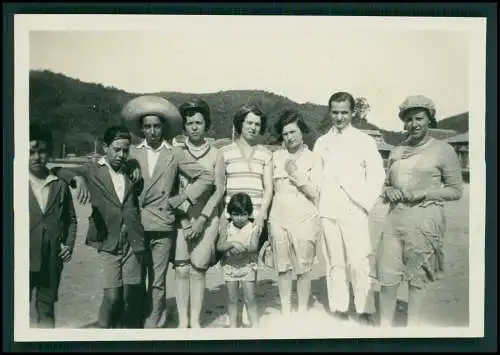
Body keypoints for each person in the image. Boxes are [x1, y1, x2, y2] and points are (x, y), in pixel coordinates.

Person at [121, 95, 215, 328]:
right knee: (134, 279)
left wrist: (182, 197)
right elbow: (106, 165)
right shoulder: (131, 152)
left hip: (163, 224)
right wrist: (77, 180)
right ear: (141, 130)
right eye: (147, 127)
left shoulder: (174, 153)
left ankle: (154, 325)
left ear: (163, 128)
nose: (152, 131)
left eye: (156, 126)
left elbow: (206, 177)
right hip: (135, 224)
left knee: (158, 281)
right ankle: (134, 324)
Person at [377, 95, 463, 327]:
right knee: (387, 279)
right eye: (408, 119)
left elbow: (456, 190)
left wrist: (424, 193)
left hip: (425, 220)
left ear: (429, 120)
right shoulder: (396, 150)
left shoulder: (443, 150)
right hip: (395, 220)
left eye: (419, 118)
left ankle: (412, 329)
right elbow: (386, 184)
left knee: (417, 280)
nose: (413, 124)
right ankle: (385, 329)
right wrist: (390, 191)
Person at [53, 125, 147, 328]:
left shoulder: (130, 168)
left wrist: (135, 164)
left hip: (132, 238)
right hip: (108, 240)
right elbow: (57, 170)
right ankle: (102, 330)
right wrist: (78, 179)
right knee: (113, 296)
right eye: (116, 149)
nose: (121, 154)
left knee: (131, 294)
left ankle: (123, 334)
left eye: (125, 150)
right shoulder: (92, 170)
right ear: (106, 147)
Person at [313, 91, 386, 325]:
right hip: (328, 209)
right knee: (335, 260)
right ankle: (339, 307)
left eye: (344, 112)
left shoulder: (364, 141)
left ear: (352, 112)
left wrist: (362, 203)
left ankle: (364, 309)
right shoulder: (322, 142)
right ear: (329, 111)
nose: (339, 117)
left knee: (359, 260)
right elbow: (315, 175)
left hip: (355, 208)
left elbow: (377, 176)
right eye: (335, 112)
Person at [171, 99, 225, 328]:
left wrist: (202, 220)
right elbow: (172, 189)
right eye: (189, 123)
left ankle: (195, 321)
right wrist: (184, 220)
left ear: (206, 125)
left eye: (199, 122)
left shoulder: (216, 154)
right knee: (181, 269)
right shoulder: (176, 152)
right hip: (180, 218)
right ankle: (183, 322)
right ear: (184, 126)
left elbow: (220, 189)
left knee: (197, 269)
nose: (194, 127)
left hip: (207, 217)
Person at [218, 103, 274, 326]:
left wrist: (261, 217)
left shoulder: (266, 154)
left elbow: (268, 188)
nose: (253, 127)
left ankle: (251, 318)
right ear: (240, 123)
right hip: (231, 219)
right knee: (232, 265)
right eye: (249, 122)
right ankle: (233, 320)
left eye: (257, 124)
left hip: (255, 220)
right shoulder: (224, 152)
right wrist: (223, 217)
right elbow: (220, 187)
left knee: (250, 265)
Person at [267, 109, 323, 316]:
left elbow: (316, 192)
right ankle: (285, 309)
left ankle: (301, 310)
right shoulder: (275, 157)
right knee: (282, 266)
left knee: (303, 267)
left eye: (293, 132)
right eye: (285, 134)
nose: (289, 137)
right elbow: (269, 188)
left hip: (305, 216)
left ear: (302, 132)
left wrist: (295, 173)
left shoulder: (314, 158)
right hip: (278, 215)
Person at [29, 123, 77, 328]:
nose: (36, 157)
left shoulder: (58, 183)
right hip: (22, 258)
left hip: (50, 259)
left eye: (42, 152)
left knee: (46, 310)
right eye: (31, 151)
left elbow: (71, 220)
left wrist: (68, 244)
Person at [216, 193, 260, 328]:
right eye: (236, 214)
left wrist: (243, 248)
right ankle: (233, 327)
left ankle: (255, 327)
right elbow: (219, 246)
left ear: (249, 213)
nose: (240, 218)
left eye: (243, 214)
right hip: (230, 267)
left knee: (250, 298)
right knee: (232, 299)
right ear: (230, 213)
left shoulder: (253, 227)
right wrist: (232, 243)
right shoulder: (226, 228)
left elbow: (254, 246)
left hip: (248, 266)